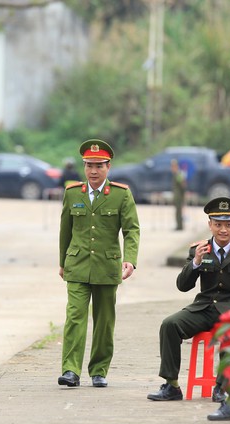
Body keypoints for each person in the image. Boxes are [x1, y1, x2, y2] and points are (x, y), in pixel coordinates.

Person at [146, 197, 230, 422]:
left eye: (228, 224)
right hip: (204, 307)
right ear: (210, 225)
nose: (223, 230)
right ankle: (171, 385)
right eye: (218, 224)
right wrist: (195, 263)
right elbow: (183, 286)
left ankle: (222, 388)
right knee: (170, 325)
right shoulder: (199, 249)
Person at [58, 139, 140, 388]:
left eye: (98, 166)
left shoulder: (120, 195)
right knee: (75, 317)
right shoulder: (73, 194)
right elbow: (65, 230)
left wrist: (130, 260)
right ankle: (70, 370)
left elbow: (132, 230)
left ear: (108, 166)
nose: (93, 171)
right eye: (89, 165)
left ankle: (99, 370)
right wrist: (63, 262)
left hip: (107, 267)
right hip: (77, 265)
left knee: (104, 321)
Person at [171, 159, 186, 231]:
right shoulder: (177, 174)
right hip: (177, 196)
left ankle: (180, 226)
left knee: (179, 211)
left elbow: (182, 185)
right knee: (178, 211)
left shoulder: (178, 174)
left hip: (179, 196)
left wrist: (183, 196)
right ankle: (179, 225)